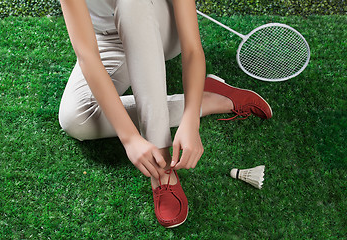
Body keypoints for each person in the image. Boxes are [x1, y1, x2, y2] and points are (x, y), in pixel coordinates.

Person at [58, 0, 272, 228]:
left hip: (159, 27)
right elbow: (88, 57)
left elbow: (191, 49)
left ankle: (161, 169)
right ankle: (210, 98)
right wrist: (129, 138)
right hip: (108, 38)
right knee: (76, 119)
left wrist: (190, 121)